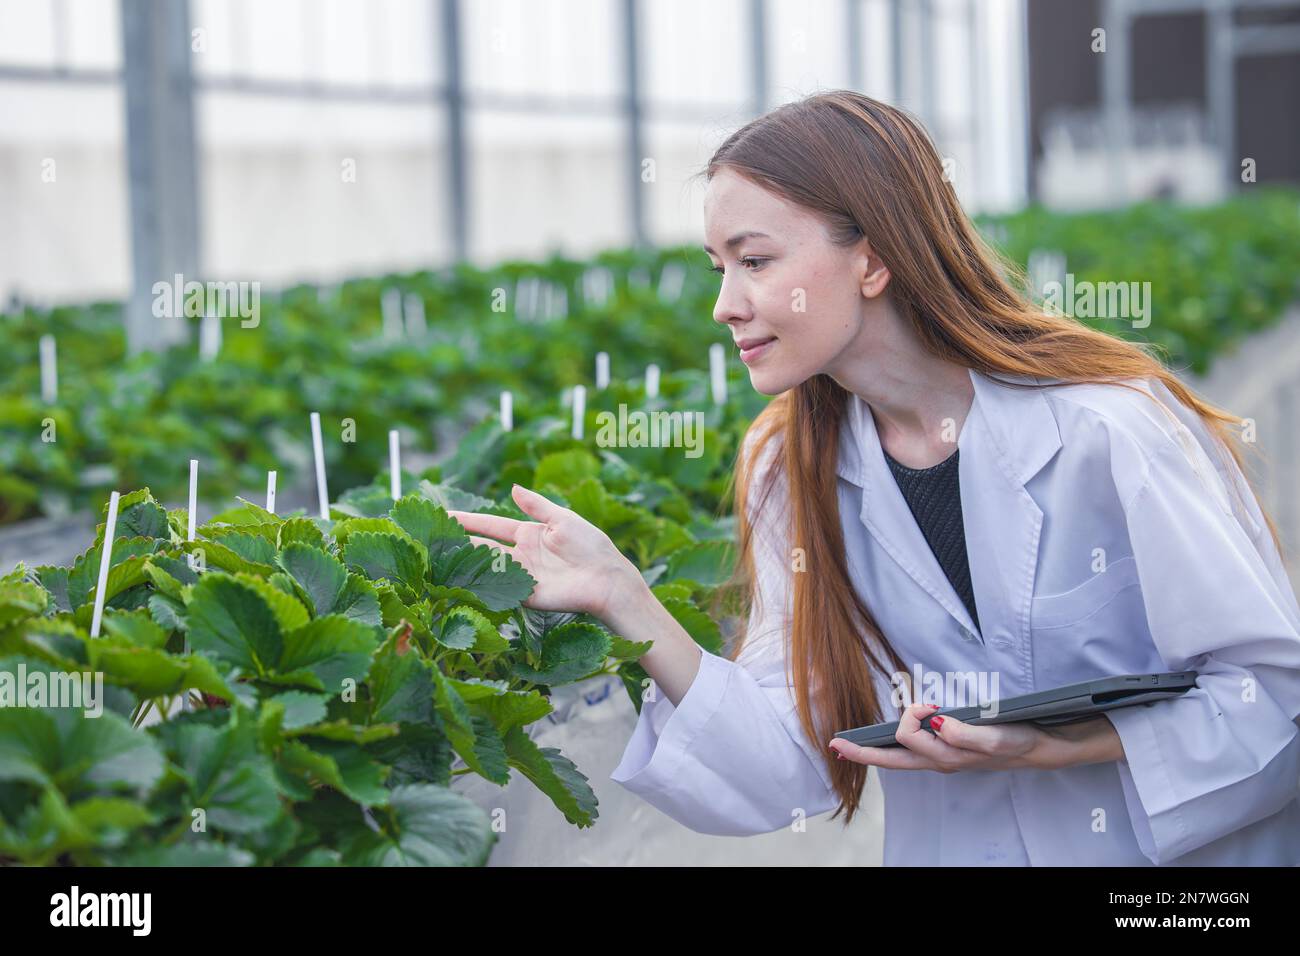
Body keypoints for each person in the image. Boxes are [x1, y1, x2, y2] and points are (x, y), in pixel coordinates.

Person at [449, 91, 1300, 866]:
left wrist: (1058, 744)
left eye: (755, 261)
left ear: (873, 259)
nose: (724, 305)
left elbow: (1270, 697)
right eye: (719, 268)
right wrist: (624, 598)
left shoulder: (1106, 429)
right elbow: (785, 758)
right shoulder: (787, 466)